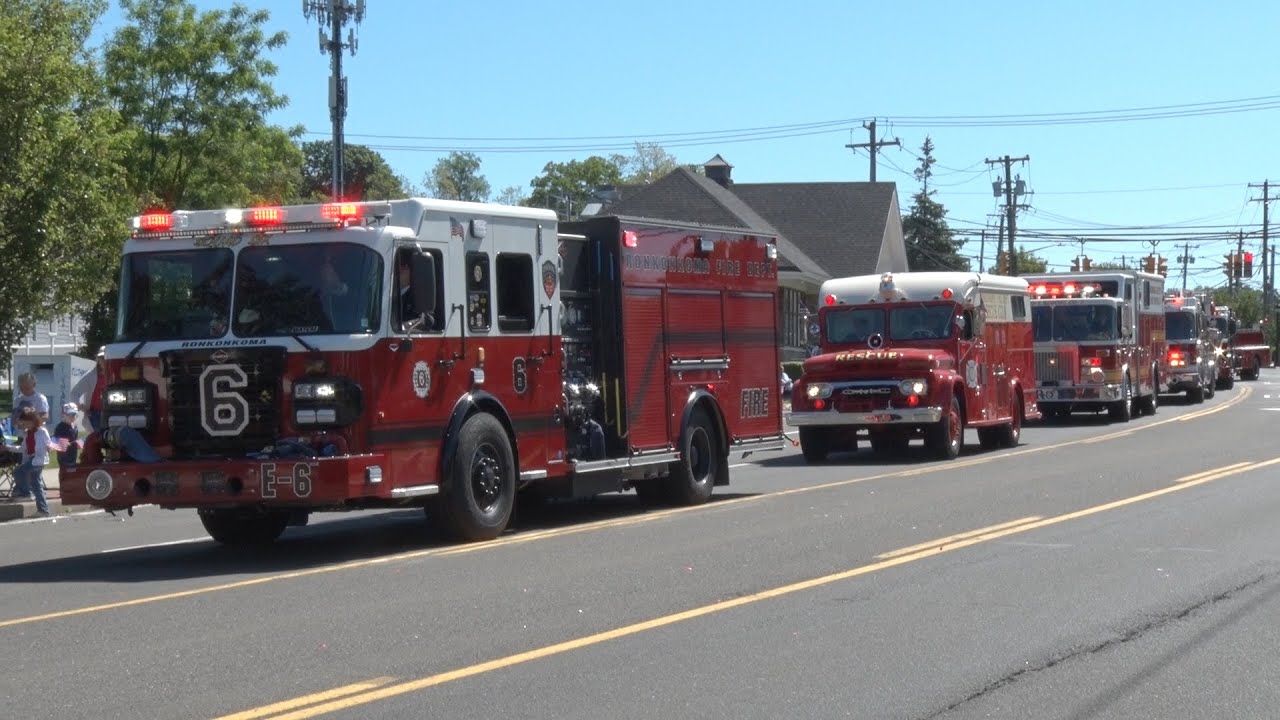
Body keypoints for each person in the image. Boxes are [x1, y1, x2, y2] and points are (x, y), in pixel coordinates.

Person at [6, 407, 64, 515]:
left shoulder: (41, 431)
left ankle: (25, 493)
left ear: (32, 421)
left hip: (38, 460)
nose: (25, 425)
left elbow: (48, 443)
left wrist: (50, 447)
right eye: (23, 423)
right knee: (37, 486)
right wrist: (8, 447)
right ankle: (43, 510)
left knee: (18, 472)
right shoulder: (27, 433)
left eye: (26, 423)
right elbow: (23, 448)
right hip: (33, 459)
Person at [53, 402, 82, 467]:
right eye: (70, 414)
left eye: (74, 414)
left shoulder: (75, 427)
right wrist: (63, 442)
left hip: (73, 453)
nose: (73, 417)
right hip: (63, 455)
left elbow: (75, 439)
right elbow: (55, 440)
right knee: (65, 470)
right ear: (64, 415)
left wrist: (77, 443)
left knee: (73, 469)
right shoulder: (60, 427)